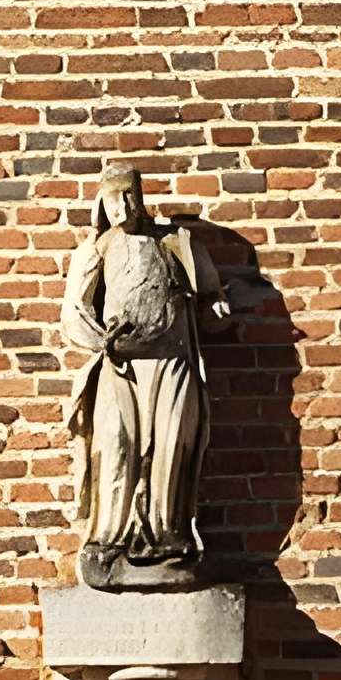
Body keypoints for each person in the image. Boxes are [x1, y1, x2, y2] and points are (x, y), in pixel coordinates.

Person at [60, 165, 231, 589]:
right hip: (121, 366)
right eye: (113, 199)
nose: (123, 208)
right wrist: (104, 341)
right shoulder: (96, 249)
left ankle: (166, 536)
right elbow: (74, 313)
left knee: (172, 444)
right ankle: (108, 541)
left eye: (128, 196)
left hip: (172, 361)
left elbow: (213, 300)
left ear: (139, 197)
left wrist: (212, 309)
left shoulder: (178, 242)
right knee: (116, 445)